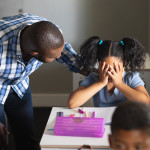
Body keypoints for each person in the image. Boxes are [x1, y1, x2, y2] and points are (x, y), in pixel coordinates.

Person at [0, 13, 81, 150]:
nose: (59, 56)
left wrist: (91, 69)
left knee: (26, 135)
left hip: (20, 84)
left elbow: (63, 51)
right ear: (35, 53)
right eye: (54, 56)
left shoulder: (49, 31)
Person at [68, 36, 150, 108]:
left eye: (115, 68)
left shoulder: (131, 78)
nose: (110, 74)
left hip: (125, 120)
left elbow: (146, 103)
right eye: (106, 68)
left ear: (124, 64)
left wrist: (119, 84)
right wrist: (100, 83)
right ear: (99, 65)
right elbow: (72, 103)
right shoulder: (94, 78)